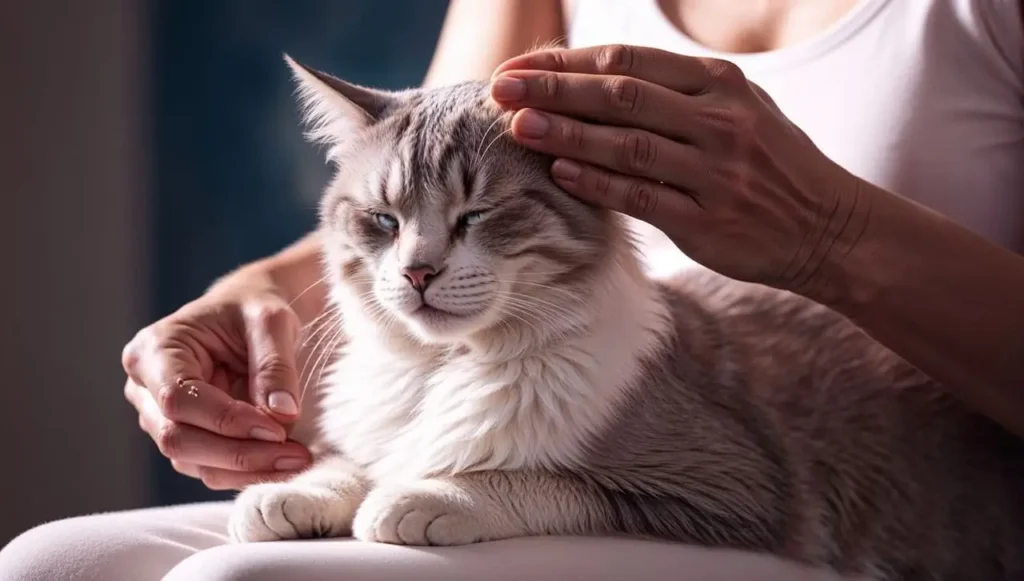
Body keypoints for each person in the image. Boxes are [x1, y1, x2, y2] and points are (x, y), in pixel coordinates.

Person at [2, 0, 1021, 579]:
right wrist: (234, 303)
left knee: (248, 576)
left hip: (850, 483)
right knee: (50, 563)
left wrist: (827, 230)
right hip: (537, 388)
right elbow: (413, 174)